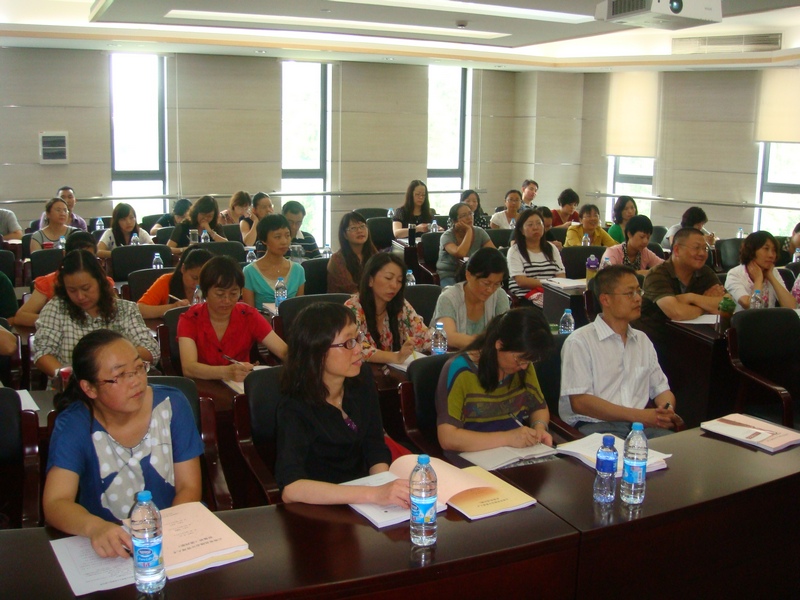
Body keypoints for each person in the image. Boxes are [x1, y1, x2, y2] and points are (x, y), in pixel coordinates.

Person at [42, 330, 203, 558]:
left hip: (173, 535)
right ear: (89, 388)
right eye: (120, 375)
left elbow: (189, 487)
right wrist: (95, 527)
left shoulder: (172, 404)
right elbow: (56, 502)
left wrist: (166, 536)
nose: (136, 381)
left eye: (138, 368)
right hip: (109, 546)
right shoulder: (75, 424)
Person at [275, 302, 409, 507]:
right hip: (321, 505)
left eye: (357, 339)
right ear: (317, 351)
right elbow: (291, 488)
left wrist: (384, 487)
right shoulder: (294, 406)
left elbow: (374, 444)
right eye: (348, 343)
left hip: (365, 497)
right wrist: (374, 494)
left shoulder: (361, 378)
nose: (359, 349)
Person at [560, 265, 680, 438]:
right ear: (605, 299)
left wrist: (666, 410)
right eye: (630, 293)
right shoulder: (580, 341)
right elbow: (580, 402)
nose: (638, 299)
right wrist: (639, 416)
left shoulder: (642, 340)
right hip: (596, 426)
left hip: (640, 427)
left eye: (639, 292)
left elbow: (661, 389)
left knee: (679, 449)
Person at [436, 308, 554, 452]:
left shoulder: (523, 366)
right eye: (519, 359)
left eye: (528, 361)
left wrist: (539, 427)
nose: (524, 366)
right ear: (499, 344)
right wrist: (508, 438)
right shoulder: (460, 370)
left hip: (515, 452)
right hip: (471, 454)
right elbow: (448, 438)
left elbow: (539, 407)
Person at [33, 250, 160, 378]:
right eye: (72, 290)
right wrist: (68, 377)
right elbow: (42, 353)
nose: (80, 296)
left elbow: (150, 349)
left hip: (121, 384)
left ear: (100, 281)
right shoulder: (56, 308)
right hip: (71, 384)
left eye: (86, 288)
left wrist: (113, 360)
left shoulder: (125, 309)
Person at [178, 255, 287, 382]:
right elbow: (189, 368)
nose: (227, 300)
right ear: (205, 292)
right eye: (220, 294)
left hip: (240, 386)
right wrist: (226, 372)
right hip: (203, 386)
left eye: (233, 293)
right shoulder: (190, 319)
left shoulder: (248, 315)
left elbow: (283, 351)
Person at [637, 227, 728, 344]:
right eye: (696, 248)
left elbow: (728, 304)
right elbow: (676, 312)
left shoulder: (704, 271)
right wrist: (706, 305)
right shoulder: (657, 274)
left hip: (689, 338)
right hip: (654, 340)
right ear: (677, 250)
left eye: (705, 248)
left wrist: (691, 298)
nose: (702, 253)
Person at [13, 232, 114, 327]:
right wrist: (59, 322)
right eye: (72, 290)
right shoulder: (49, 282)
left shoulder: (103, 281)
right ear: (65, 254)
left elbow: (115, 312)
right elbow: (21, 316)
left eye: (86, 288)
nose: (81, 262)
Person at [345, 253, 430, 365]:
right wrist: (396, 357)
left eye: (399, 281)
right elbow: (355, 346)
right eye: (388, 278)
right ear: (370, 280)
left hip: (392, 372)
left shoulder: (401, 305)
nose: (394, 285)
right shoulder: (352, 308)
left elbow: (424, 335)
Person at [431, 247, 510, 350]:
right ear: (468, 275)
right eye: (486, 283)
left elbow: (506, 334)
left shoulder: (499, 295)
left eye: (497, 284)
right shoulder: (448, 298)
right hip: (453, 356)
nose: (490, 290)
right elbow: (448, 337)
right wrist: (489, 344)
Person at [243, 214, 305, 308]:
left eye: (287, 235)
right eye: (277, 237)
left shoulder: (298, 270)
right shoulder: (250, 271)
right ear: (264, 240)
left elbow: (300, 309)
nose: (284, 241)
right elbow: (248, 312)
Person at [507, 209, 566, 307]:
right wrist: (549, 284)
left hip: (551, 295)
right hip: (525, 297)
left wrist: (550, 286)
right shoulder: (515, 251)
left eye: (539, 223)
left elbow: (561, 276)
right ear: (521, 230)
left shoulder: (551, 248)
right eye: (530, 225)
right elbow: (521, 281)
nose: (535, 228)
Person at [725, 231, 795, 310]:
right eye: (766, 249)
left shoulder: (772, 272)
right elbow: (750, 306)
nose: (771, 255)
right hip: (744, 318)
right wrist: (758, 279)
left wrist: (771, 277)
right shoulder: (734, 274)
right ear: (751, 251)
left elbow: (791, 306)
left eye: (774, 250)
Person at [137, 246, 213, 319]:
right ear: (183, 269)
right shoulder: (167, 281)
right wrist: (173, 307)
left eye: (203, 279)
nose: (198, 284)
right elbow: (140, 310)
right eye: (194, 278)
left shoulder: (213, 284)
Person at [437, 202, 495, 287]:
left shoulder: (479, 232)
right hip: (450, 274)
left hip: (475, 273)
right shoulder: (447, 236)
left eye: (470, 213)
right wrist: (469, 231)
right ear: (455, 221)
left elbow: (493, 253)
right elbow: (461, 253)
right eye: (464, 215)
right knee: (455, 293)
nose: (469, 217)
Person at [327, 211, 378, 294]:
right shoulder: (337, 259)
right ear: (345, 235)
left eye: (362, 226)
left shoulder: (373, 254)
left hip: (369, 298)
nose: (359, 231)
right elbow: (350, 290)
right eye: (353, 228)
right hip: (345, 300)